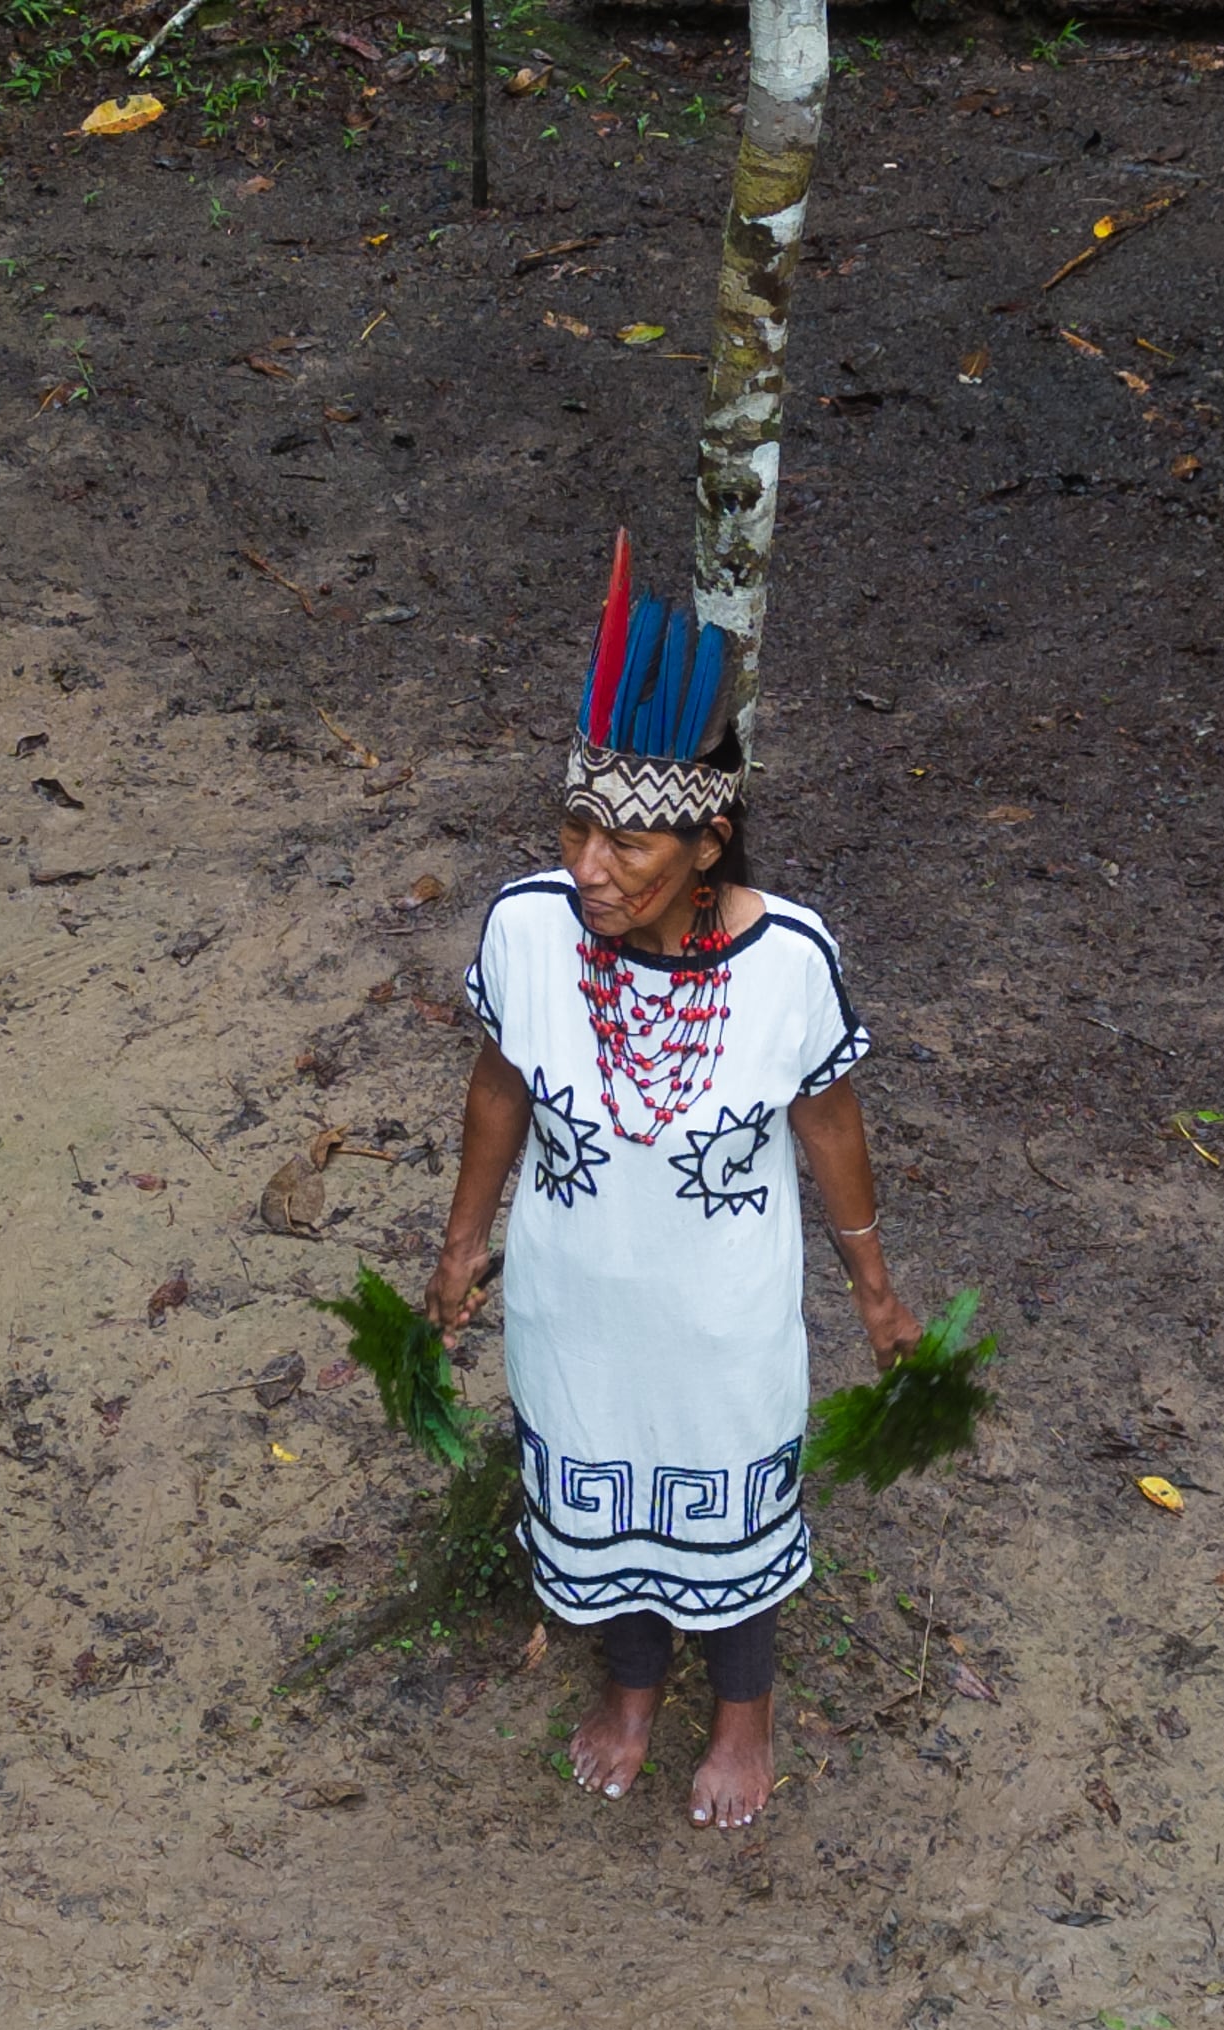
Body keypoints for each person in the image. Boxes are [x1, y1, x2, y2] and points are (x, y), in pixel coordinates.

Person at [426, 541, 921, 1831]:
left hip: (720, 1309)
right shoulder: (527, 928)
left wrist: (874, 1288)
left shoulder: (787, 959)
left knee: (720, 1483)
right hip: (571, 1297)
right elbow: (499, 1090)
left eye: (626, 839)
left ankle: (745, 1711)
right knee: (598, 1475)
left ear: (707, 843)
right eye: (574, 826)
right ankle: (634, 1691)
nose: (589, 863)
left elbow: (828, 1119)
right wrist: (464, 1239)